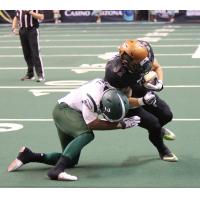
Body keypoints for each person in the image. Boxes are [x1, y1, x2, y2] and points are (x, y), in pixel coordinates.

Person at [8, 78, 140, 181]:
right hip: (65, 111)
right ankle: (57, 170)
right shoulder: (93, 97)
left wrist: (142, 101)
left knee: (71, 160)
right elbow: (93, 124)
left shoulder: (111, 93)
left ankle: (28, 156)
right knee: (87, 134)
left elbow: (124, 99)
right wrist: (120, 125)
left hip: (71, 113)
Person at [104, 39, 178, 162]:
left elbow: (157, 67)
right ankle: (163, 150)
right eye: (139, 64)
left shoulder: (141, 57)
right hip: (124, 102)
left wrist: (159, 82)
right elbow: (124, 100)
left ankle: (159, 130)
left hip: (140, 90)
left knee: (167, 115)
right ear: (126, 62)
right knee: (154, 125)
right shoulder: (115, 74)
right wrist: (142, 101)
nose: (144, 66)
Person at [12, 10, 45, 82]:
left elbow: (41, 17)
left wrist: (30, 12)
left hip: (32, 30)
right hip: (22, 30)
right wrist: (14, 28)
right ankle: (30, 74)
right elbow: (16, 17)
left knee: (35, 53)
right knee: (26, 54)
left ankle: (40, 75)